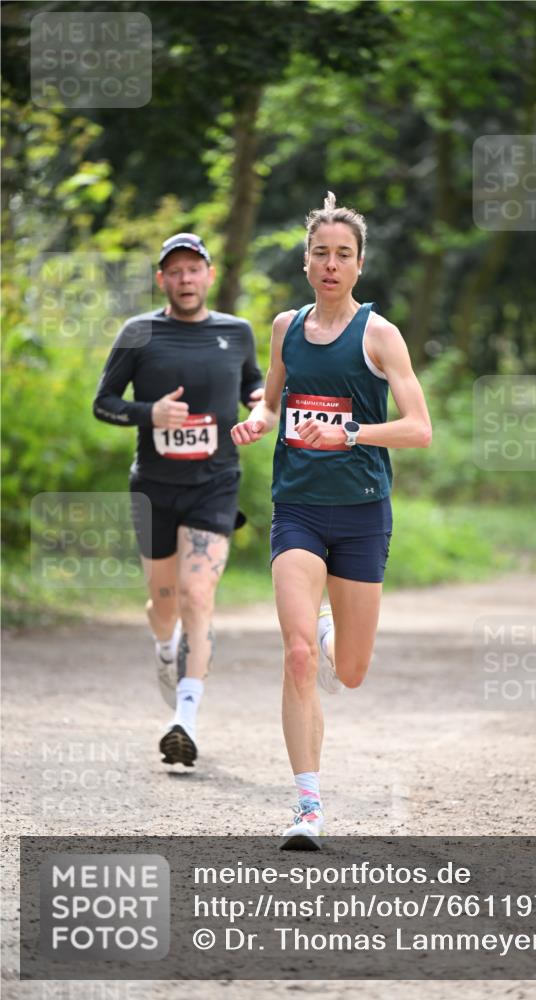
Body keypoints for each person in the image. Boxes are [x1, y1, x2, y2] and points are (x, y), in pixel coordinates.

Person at [231, 192, 432, 848]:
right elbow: (273, 397)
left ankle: (325, 629)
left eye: (342, 254)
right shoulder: (286, 327)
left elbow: (417, 429)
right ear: (305, 261)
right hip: (298, 510)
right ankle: (307, 807)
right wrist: (258, 420)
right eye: (320, 252)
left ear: (359, 265)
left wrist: (346, 434)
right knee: (294, 656)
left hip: (362, 515)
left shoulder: (379, 335)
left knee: (348, 670)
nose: (330, 263)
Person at [93, 233, 263, 765]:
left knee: (197, 597)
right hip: (154, 489)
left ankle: (183, 721)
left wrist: (260, 410)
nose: (185, 279)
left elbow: (255, 387)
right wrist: (149, 414)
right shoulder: (139, 333)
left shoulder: (237, 333)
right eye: (175, 271)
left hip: (215, 485)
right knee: (164, 604)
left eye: (194, 270)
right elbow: (102, 403)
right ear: (162, 279)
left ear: (209, 276)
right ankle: (165, 650)